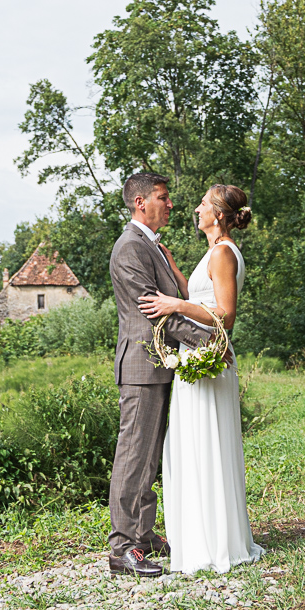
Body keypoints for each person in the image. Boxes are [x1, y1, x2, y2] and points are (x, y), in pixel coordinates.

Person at [139, 184, 264, 574]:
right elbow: (203, 293)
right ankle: (199, 536)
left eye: (203, 205)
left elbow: (225, 315)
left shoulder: (225, 252)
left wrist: (175, 304)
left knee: (206, 445)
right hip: (198, 357)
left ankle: (215, 543)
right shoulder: (214, 252)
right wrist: (173, 268)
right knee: (194, 445)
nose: (196, 209)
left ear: (220, 214)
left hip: (209, 358)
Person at [107, 173, 213, 577]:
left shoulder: (151, 246)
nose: (170, 205)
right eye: (163, 198)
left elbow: (175, 302)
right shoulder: (131, 247)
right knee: (133, 456)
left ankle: (145, 535)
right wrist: (209, 341)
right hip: (141, 364)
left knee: (149, 457)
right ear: (140, 202)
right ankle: (123, 548)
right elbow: (155, 311)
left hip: (160, 366)